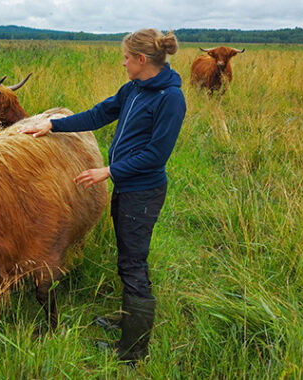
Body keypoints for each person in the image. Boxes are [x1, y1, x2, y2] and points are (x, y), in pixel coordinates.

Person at [18, 28, 186, 363]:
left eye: (126, 57)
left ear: (142, 59)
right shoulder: (135, 89)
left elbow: (156, 155)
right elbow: (98, 114)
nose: (122, 63)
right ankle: (129, 323)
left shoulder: (170, 98)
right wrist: (53, 125)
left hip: (144, 191)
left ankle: (132, 351)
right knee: (127, 259)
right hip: (128, 187)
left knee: (133, 264)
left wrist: (109, 171)